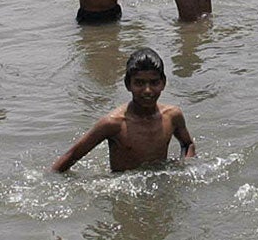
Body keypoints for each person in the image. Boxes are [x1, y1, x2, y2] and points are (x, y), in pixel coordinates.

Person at [51, 47, 194, 173]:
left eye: (154, 82)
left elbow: (188, 144)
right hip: (126, 197)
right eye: (139, 83)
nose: (147, 90)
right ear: (127, 84)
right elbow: (71, 156)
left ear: (163, 83)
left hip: (160, 188)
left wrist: (184, 167)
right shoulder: (113, 124)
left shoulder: (172, 116)